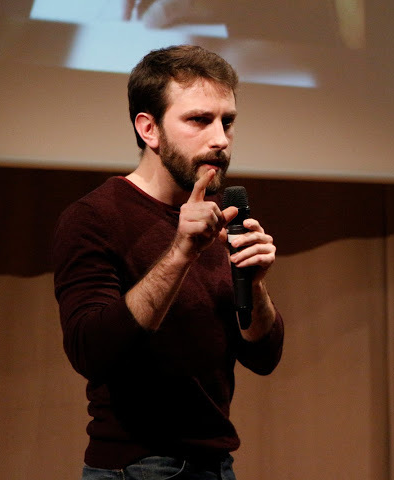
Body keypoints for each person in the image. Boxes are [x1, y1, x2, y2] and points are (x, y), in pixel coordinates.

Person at [52, 45, 284, 480]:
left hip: (217, 464)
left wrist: (255, 286)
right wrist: (180, 253)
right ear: (149, 129)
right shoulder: (93, 217)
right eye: (199, 120)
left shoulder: (223, 213)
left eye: (227, 122)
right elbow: (90, 352)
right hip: (137, 467)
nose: (220, 139)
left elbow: (264, 356)